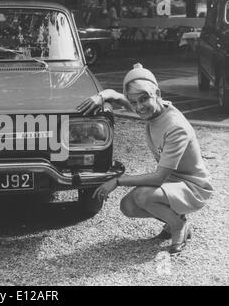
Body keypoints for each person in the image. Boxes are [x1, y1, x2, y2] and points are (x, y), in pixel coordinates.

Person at [77, 63, 213, 254]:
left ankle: (178, 225)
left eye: (143, 99)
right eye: (134, 102)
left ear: (156, 93)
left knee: (142, 196)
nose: (138, 107)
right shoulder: (153, 110)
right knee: (128, 206)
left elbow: (159, 178)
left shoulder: (175, 127)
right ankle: (174, 218)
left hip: (192, 186)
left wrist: (117, 181)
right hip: (174, 181)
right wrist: (101, 96)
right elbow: (118, 97)